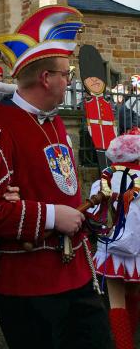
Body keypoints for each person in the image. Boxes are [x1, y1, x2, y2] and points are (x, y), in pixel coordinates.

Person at [0, 5, 111, 349]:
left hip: (75, 273)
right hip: (29, 287)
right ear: (46, 78)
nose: (70, 80)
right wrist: (50, 215)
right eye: (66, 73)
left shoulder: (54, 119)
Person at [91, 129, 140, 349]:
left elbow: (93, 214)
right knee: (135, 295)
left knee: (116, 302)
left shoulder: (106, 176)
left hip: (113, 247)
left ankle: (124, 344)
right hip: (138, 249)